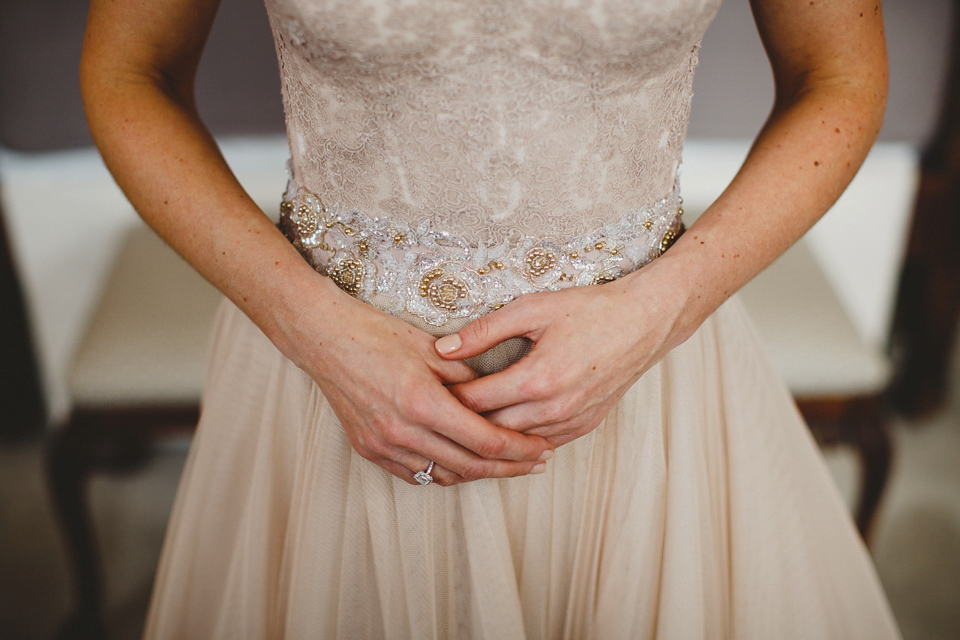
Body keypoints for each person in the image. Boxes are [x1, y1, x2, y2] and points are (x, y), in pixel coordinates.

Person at [81, 0, 901, 637]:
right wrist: (310, 328)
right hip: (335, 378)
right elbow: (128, 72)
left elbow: (840, 75)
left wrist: (665, 305)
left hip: (640, 371)